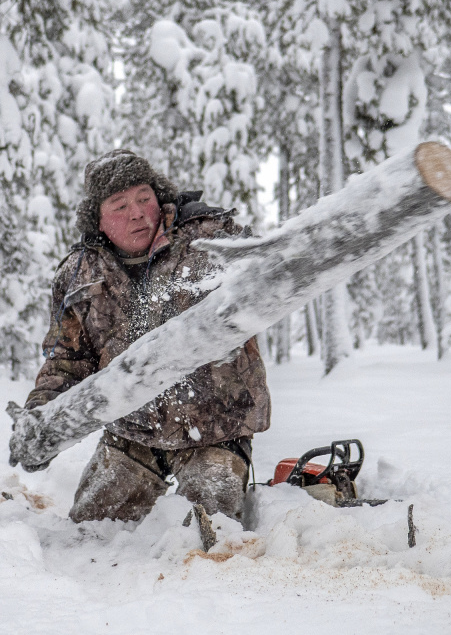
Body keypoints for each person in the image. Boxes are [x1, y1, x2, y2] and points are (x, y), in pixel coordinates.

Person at [23, 150, 271, 523]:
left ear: (160, 197)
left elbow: (267, 280)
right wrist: (39, 421)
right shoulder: (78, 274)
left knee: (208, 537)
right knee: (89, 534)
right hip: (132, 433)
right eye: (119, 205)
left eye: (144, 198)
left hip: (216, 428)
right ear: (98, 221)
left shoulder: (210, 238)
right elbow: (66, 361)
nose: (137, 212)